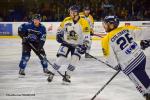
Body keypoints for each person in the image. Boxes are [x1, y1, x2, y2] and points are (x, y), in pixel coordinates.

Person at [101, 16, 150, 100]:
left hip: (130, 65)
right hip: (141, 57)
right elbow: (143, 32)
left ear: (111, 25)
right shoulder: (125, 28)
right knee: (143, 77)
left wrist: (116, 66)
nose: (104, 26)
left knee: (143, 87)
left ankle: (147, 94)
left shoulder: (106, 39)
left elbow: (109, 56)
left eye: (105, 24)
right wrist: (147, 40)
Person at [47, 5, 91, 83]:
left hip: (78, 45)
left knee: (75, 59)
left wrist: (85, 45)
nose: (70, 13)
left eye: (71, 12)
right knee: (61, 58)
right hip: (66, 43)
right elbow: (60, 29)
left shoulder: (84, 22)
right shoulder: (66, 20)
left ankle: (67, 75)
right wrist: (58, 35)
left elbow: (87, 36)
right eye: (70, 12)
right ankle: (52, 73)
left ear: (76, 13)